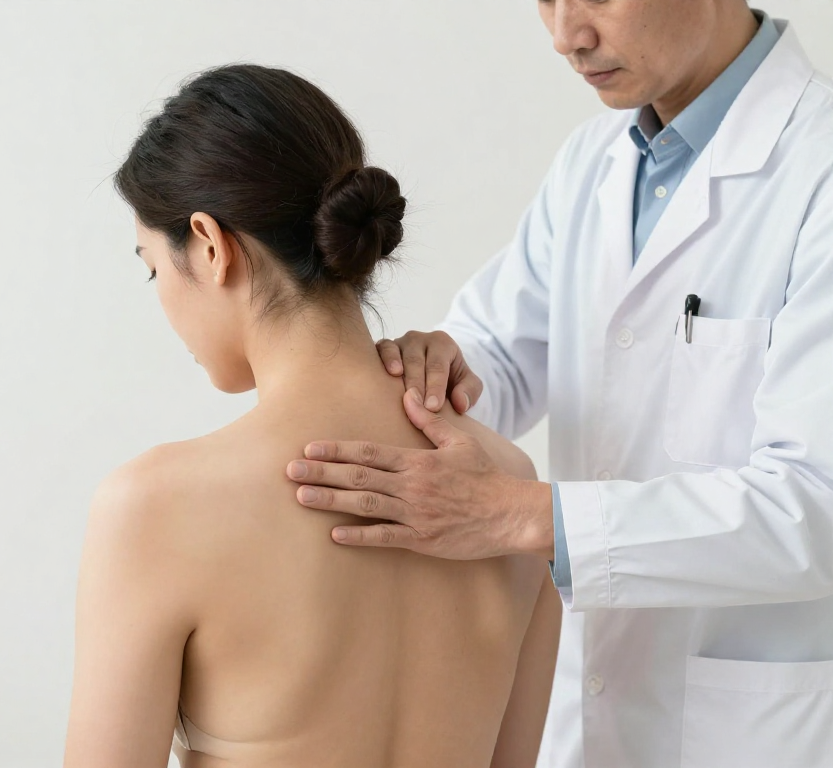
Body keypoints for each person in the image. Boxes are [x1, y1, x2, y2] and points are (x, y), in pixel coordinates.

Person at [286, 2, 833, 767]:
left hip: (756, 735)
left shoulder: (818, 169)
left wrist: (519, 516)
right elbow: (501, 356)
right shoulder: (594, 161)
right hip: (581, 714)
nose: (565, 36)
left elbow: (814, 505)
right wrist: (439, 370)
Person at [63, 64, 561, 768]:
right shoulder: (511, 489)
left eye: (154, 267)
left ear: (209, 245)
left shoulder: (154, 504)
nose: (161, 298)